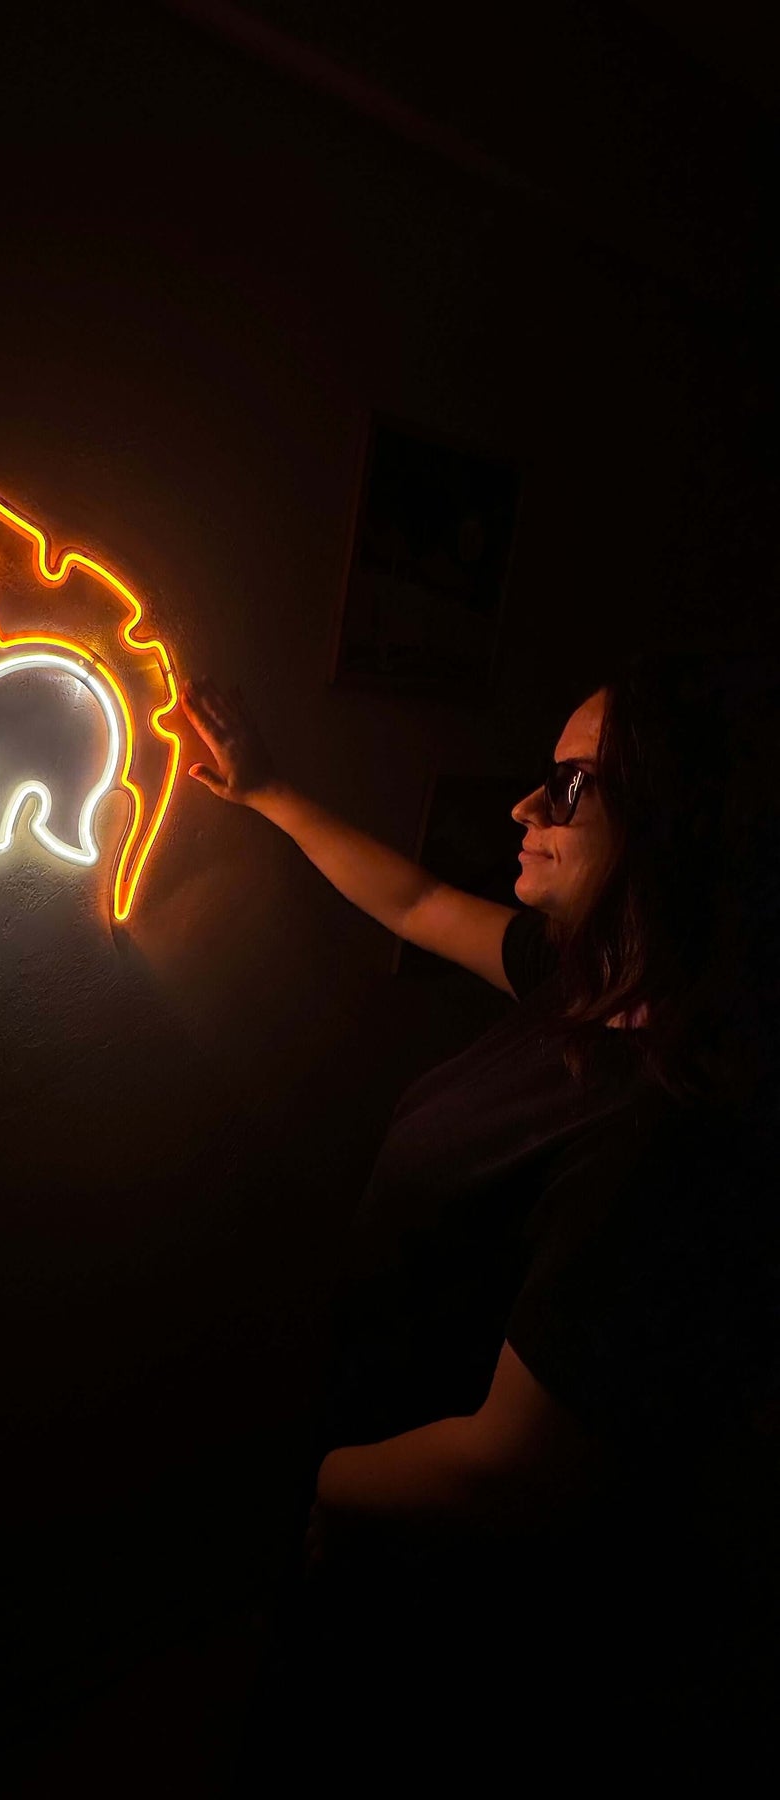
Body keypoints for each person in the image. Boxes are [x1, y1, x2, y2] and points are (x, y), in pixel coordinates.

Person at [181, 656, 780, 1780]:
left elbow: (513, 1465)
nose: (523, 807)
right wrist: (265, 790)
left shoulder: (658, 1122)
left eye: (571, 785)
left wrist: (330, 1482)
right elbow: (412, 902)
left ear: (667, 823)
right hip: (378, 1474)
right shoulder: (583, 982)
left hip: (439, 1577)